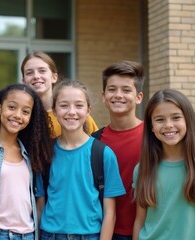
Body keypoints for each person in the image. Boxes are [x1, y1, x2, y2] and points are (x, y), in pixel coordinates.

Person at [37, 79, 125, 240]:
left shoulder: (103, 153)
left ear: (88, 110)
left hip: (90, 235)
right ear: (55, 110)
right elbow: (40, 206)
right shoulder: (45, 153)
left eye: (79, 105)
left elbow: (110, 212)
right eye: (64, 105)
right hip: (50, 235)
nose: (71, 112)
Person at [0, 84, 53, 240]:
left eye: (25, 112)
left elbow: (38, 200)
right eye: (12, 107)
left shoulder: (31, 155)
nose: (18, 115)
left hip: (29, 235)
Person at [132, 89, 195, 240]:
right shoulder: (142, 169)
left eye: (176, 118)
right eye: (160, 120)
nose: (168, 125)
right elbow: (140, 221)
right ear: (151, 127)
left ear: (188, 120)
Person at [94, 60, 144, 240]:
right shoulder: (94, 142)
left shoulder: (153, 138)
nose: (118, 95)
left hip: (146, 230)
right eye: (112, 89)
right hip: (103, 232)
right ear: (103, 95)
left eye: (126, 90)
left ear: (139, 97)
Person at [21, 51, 98, 138]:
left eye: (42, 71)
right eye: (29, 73)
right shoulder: (22, 116)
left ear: (54, 77)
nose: (36, 76)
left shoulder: (77, 116)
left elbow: (96, 147)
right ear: (24, 81)